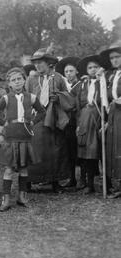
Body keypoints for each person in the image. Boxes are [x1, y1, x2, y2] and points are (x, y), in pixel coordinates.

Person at [0, 67, 46, 211]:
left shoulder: (31, 97)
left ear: (24, 80)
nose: (17, 82)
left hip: (25, 136)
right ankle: (6, 199)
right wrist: (4, 123)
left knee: (23, 169)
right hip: (11, 137)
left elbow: (42, 111)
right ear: (9, 83)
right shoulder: (6, 98)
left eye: (19, 79)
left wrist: (33, 121)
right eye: (13, 80)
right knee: (8, 169)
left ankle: (22, 197)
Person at [26, 47, 75, 193]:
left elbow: (67, 95)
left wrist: (58, 97)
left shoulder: (59, 78)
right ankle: (30, 181)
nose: (38, 66)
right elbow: (26, 98)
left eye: (40, 62)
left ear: (48, 63)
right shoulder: (31, 79)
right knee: (35, 148)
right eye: (35, 63)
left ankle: (55, 181)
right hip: (37, 117)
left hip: (54, 116)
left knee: (55, 148)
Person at [74, 55, 105, 194]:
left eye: (95, 67)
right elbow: (78, 105)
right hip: (84, 119)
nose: (93, 70)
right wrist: (78, 123)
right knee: (87, 153)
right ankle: (89, 183)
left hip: (98, 117)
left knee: (100, 150)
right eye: (90, 67)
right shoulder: (83, 84)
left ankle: (107, 183)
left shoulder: (103, 82)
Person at [55, 56, 83, 189]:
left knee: (79, 150)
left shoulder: (80, 85)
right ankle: (72, 178)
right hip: (67, 122)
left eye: (71, 71)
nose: (69, 74)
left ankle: (83, 178)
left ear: (77, 71)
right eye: (66, 72)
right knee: (69, 150)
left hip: (77, 120)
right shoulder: (65, 86)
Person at [100, 41, 121, 198]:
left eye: (118, 57)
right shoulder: (109, 75)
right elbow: (104, 96)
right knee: (114, 148)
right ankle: (117, 185)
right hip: (113, 114)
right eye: (112, 57)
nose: (115, 60)